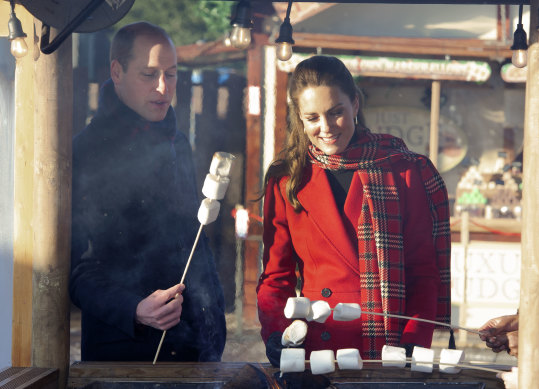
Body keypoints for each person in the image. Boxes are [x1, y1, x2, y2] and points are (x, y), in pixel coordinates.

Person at [256, 55, 451, 365]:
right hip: (316, 352)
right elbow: (276, 278)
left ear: (355, 105)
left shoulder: (405, 171)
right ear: (299, 118)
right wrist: (277, 334)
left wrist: (413, 343)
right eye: (313, 118)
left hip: (390, 349)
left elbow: (423, 273)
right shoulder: (287, 178)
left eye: (336, 113)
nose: (326, 128)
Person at [70, 21, 226, 362]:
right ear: (117, 71)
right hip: (126, 350)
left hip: (194, 344)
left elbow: (192, 238)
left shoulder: (178, 142)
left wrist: (212, 312)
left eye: (171, 74)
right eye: (148, 74)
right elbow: (75, 267)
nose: (163, 87)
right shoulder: (87, 151)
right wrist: (135, 309)